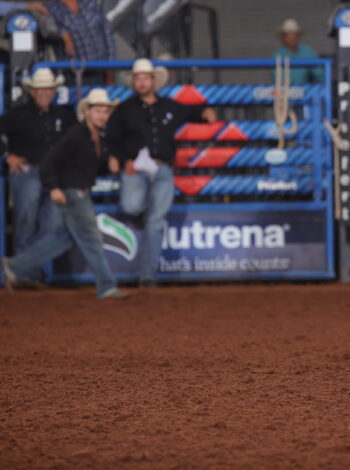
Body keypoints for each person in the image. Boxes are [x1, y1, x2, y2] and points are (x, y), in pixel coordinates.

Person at [2, 88, 129, 299]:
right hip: (74, 192)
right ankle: (106, 285)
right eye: (98, 111)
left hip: (77, 190)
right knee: (91, 238)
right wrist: (53, 187)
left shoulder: (94, 136)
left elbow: (86, 166)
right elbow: (49, 163)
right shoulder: (77, 135)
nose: (102, 116)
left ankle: (15, 266)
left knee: (62, 239)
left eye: (105, 112)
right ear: (87, 112)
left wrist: (109, 164)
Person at [105, 58, 218, 287]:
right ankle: (141, 217)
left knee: (156, 221)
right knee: (130, 206)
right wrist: (125, 159)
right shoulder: (124, 110)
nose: (142, 82)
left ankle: (148, 275)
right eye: (138, 78)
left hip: (163, 168)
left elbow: (191, 112)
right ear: (134, 82)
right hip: (135, 167)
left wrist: (205, 111)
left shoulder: (170, 106)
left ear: (154, 81)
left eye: (145, 78)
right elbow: (111, 138)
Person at [0, 68, 77, 280]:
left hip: (53, 175)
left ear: (53, 91)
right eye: (39, 90)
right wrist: (7, 155)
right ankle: (25, 274)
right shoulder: (18, 114)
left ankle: (30, 271)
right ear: (32, 92)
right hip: (28, 171)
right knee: (26, 222)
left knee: (51, 225)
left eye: (47, 89)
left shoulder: (64, 116)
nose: (44, 93)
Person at [42, 0, 116, 86]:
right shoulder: (49, 10)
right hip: (71, 75)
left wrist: (110, 71)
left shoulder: (91, 3)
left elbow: (107, 35)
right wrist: (63, 34)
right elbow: (46, 31)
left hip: (100, 71)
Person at [273, 18, 323, 85]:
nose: (292, 37)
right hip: (284, 91)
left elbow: (319, 73)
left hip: (306, 91)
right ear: (282, 37)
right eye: (288, 35)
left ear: (298, 36)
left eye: (294, 34)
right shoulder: (278, 54)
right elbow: (276, 77)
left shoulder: (307, 51)